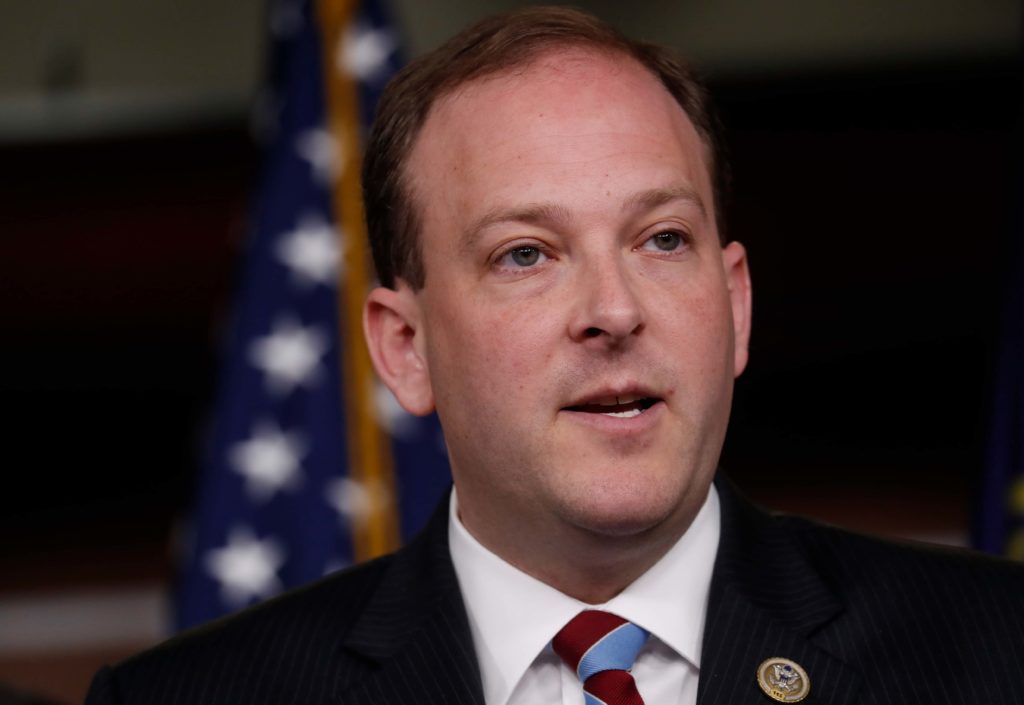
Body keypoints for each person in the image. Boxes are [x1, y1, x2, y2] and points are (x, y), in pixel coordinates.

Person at [87, 7, 1024, 705]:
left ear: (736, 304)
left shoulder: (997, 652)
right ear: (405, 348)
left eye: (662, 239)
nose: (614, 311)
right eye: (526, 254)